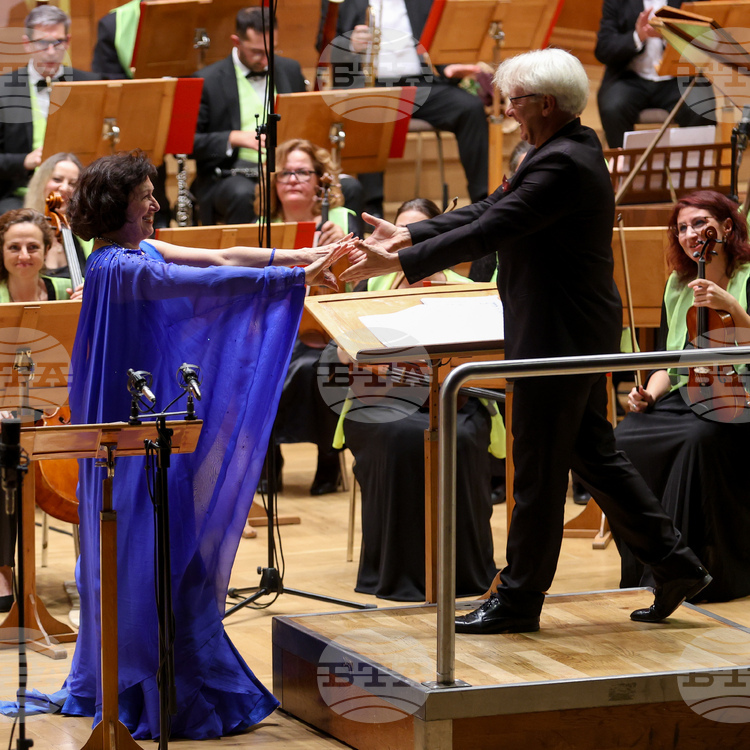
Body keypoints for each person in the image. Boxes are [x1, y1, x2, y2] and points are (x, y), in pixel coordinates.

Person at [340, 48, 711, 634]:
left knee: (537, 466)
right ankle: (675, 563)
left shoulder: (563, 162)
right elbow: (492, 206)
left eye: (513, 99)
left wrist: (401, 260)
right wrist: (409, 234)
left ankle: (518, 599)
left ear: (545, 103)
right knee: (593, 454)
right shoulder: (560, 149)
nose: (505, 109)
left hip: (558, 334)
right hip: (567, 327)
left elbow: (493, 227)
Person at [61, 150, 342, 739]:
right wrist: (294, 280)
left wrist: (300, 257)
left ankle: (169, 674)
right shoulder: (118, 268)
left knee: (167, 545)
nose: (154, 204)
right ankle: (146, 688)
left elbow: (221, 256)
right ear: (117, 205)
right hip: (130, 437)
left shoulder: (138, 251)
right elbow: (207, 281)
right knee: (144, 552)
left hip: (156, 427)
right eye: (144, 196)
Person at [331, 197, 502, 600]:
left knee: (458, 438)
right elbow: (343, 352)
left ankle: (464, 571)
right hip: (378, 398)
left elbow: (486, 359)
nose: (405, 244)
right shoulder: (372, 284)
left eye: (415, 236)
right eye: (399, 235)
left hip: (456, 396)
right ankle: (396, 573)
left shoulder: (467, 289)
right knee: (398, 438)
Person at [614, 190, 750, 602]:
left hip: (739, 393)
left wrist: (733, 307)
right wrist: (649, 395)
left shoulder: (747, 277)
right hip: (687, 392)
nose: (691, 234)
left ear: (726, 227)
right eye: (683, 227)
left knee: (698, 440)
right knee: (624, 439)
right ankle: (650, 566)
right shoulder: (678, 285)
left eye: (700, 223)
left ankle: (699, 568)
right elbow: (667, 362)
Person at [319, 0, 489, 216]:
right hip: (372, 85)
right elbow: (322, 46)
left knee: (470, 107)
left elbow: (439, 35)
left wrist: (448, 66)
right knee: (368, 110)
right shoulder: (344, 2)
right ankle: (372, 209)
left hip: (420, 83)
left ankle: (483, 200)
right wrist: (349, 44)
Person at [263, 139, 357, 495]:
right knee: (253, 365)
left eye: (302, 172)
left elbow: (362, 281)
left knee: (318, 366)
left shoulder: (341, 220)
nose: (292, 179)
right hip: (276, 328)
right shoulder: (263, 225)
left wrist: (344, 249)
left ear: (320, 181)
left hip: (330, 330)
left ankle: (329, 460)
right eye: (285, 173)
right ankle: (268, 460)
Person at [0, 206, 80, 614]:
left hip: (57, 407)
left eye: (33, 247)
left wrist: (89, 307)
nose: (24, 255)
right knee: (3, 454)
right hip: (4, 411)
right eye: (14, 247)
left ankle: (96, 566)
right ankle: (3, 568)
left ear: (48, 249)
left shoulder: (68, 289)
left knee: (101, 454)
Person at [192, 7, 307, 225]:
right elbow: (190, 144)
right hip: (230, 174)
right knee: (244, 194)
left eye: (271, 50)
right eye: (257, 52)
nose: (266, 60)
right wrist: (233, 138)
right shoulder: (207, 80)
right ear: (236, 42)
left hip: (286, 170)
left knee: (349, 187)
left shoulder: (290, 69)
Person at [0, 5, 97, 213]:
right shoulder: (3, 89)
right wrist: (23, 161)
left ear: (68, 41)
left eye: (58, 42)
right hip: (21, 194)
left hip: (79, 193)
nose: (51, 52)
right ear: (27, 44)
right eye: (42, 43)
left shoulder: (91, 85)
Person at [595, 0, 715, 149]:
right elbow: (603, 49)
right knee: (612, 108)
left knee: (703, 106)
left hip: (677, 79)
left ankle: (689, 163)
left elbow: (707, 42)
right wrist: (637, 36)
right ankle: (624, 163)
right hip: (629, 78)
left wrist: (668, 36)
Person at [24, 152, 92, 277]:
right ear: (41, 183)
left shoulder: (86, 234)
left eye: (73, 183)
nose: (64, 188)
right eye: (57, 179)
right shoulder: (22, 229)